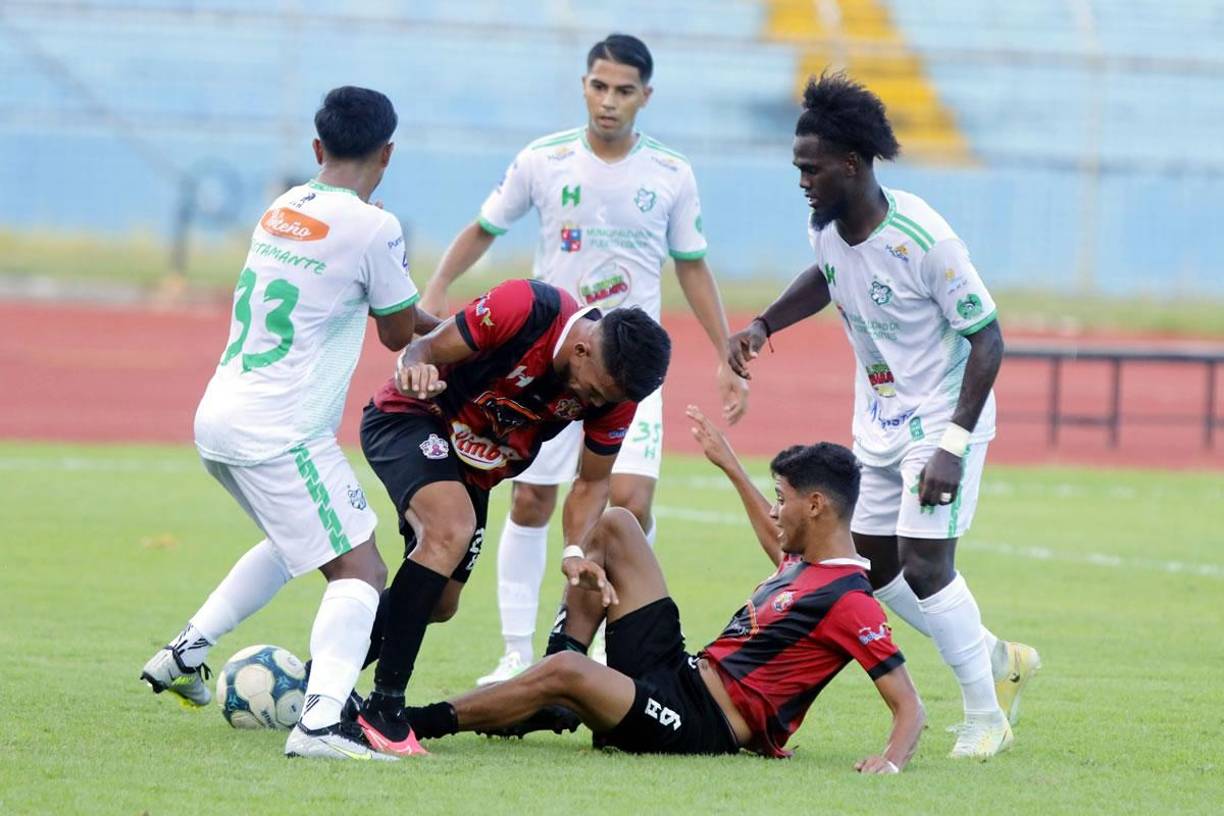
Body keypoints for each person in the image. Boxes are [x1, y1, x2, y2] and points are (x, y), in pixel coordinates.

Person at [417, 33, 748, 684]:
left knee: (627, 503)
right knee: (533, 502)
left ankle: (596, 640)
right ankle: (515, 653)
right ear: (584, 86)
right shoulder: (544, 160)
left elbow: (692, 266)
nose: (609, 101)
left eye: (624, 90)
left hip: (627, 374)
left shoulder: (671, 174)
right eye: (599, 86)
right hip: (555, 368)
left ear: (645, 97)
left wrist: (724, 352)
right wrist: (434, 290)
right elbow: (485, 226)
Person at [727, 72, 1040, 759]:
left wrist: (954, 444)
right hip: (880, 420)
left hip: (940, 420)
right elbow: (828, 277)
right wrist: (763, 324)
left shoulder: (924, 237)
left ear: (852, 163)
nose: (802, 180)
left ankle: (986, 717)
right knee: (866, 564)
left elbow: (988, 337)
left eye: (811, 169)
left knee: (929, 565)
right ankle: (992, 654)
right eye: (796, 168)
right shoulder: (830, 232)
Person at [394, 407, 925, 772]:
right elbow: (774, 537)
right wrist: (729, 464)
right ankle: (555, 698)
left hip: (701, 724)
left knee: (567, 675)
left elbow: (909, 705)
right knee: (618, 524)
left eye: (781, 497)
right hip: (681, 673)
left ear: (815, 506)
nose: (773, 508)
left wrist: (892, 761)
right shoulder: (804, 563)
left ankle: (413, 722)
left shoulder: (850, 600)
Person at [140, 86, 421, 761]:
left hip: (222, 417)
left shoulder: (283, 206)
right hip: (282, 431)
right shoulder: (376, 227)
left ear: (318, 149)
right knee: (362, 568)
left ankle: (184, 654)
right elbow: (398, 333)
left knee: (294, 542)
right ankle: (322, 723)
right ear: (387, 153)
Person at [355, 277, 671, 755]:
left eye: (609, 400)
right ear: (583, 349)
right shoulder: (526, 306)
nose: (598, 404)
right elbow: (421, 349)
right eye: (596, 392)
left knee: (440, 602)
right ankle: (384, 709)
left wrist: (571, 551)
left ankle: (320, 678)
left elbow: (590, 482)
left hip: (475, 471)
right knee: (449, 529)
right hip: (410, 418)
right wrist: (415, 369)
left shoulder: (616, 390)